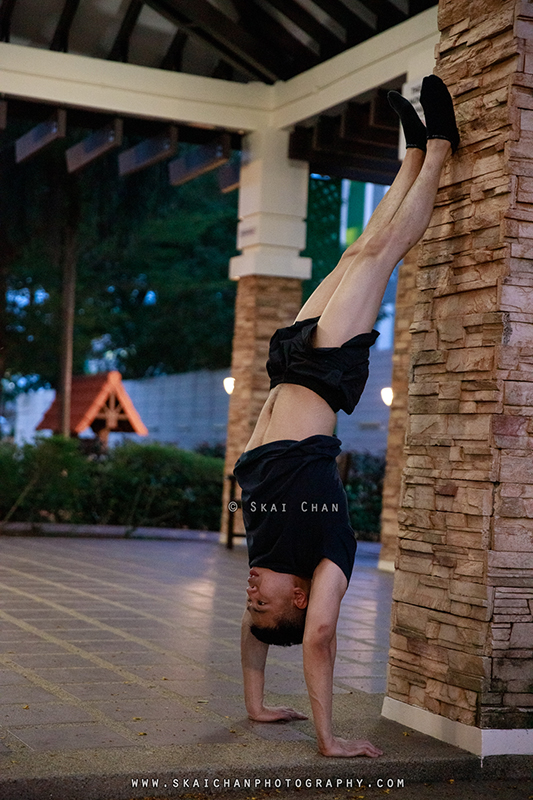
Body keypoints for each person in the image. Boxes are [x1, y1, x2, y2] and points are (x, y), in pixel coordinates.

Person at [234, 75, 459, 758]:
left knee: (349, 253)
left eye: (251, 600)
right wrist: (327, 737)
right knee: (377, 255)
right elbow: (321, 638)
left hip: (285, 367)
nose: (250, 593)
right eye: (262, 601)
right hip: (325, 375)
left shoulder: (268, 553)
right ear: (298, 600)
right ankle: (439, 151)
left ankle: (408, 158)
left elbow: (252, 639)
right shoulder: (325, 559)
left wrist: (257, 704)